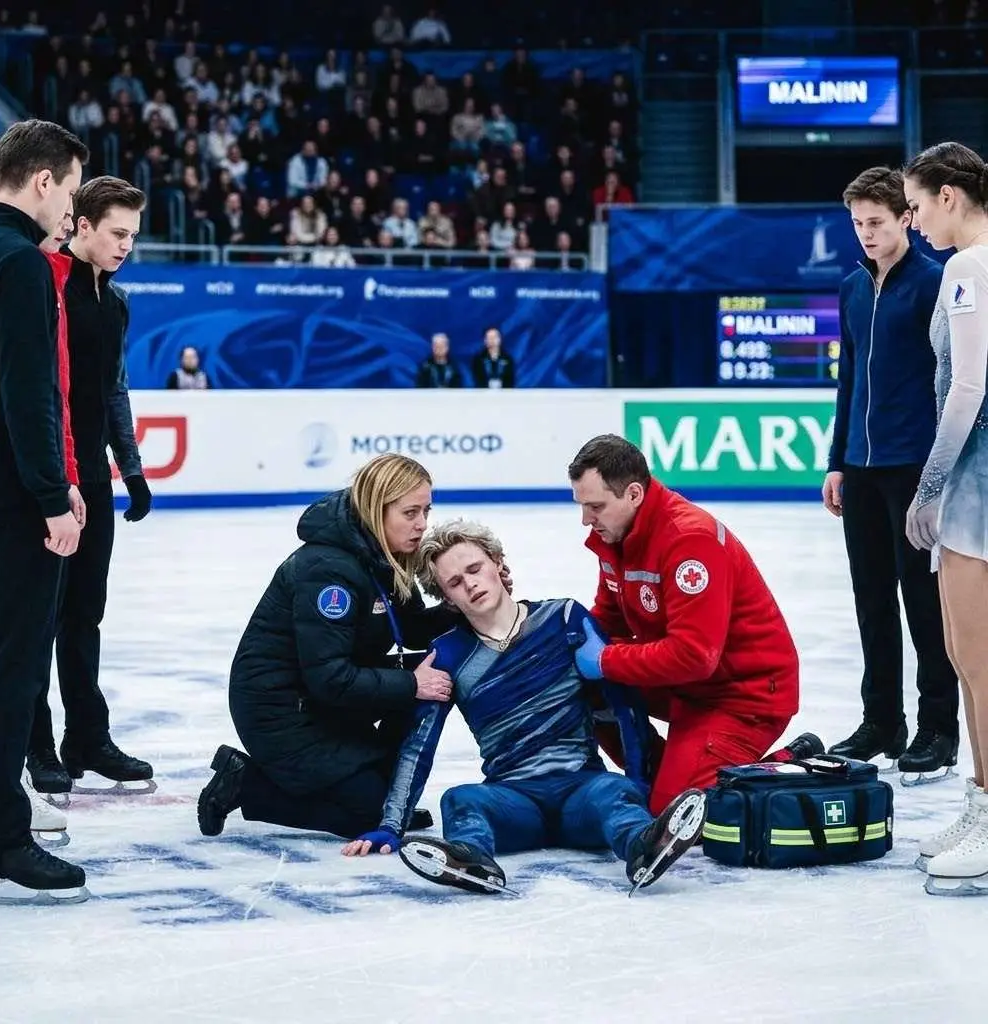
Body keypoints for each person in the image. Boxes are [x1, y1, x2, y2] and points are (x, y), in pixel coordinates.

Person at [340, 520, 707, 896]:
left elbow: (624, 706)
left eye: (474, 569)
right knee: (460, 799)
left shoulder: (563, 619)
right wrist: (390, 825)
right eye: (454, 583)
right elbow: (418, 746)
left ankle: (643, 846)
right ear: (448, 598)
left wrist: (640, 785)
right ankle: (472, 861)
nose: (470, 584)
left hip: (582, 792)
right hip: (514, 803)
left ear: (497, 563)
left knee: (614, 791)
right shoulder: (450, 655)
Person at [197, 454, 467, 841]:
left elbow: (413, 633)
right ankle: (247, 784)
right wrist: (410, 685)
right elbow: (329, 677)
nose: (422, 524)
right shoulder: (327, 570)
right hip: (282, 713)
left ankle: (380, 794)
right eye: (410, 512)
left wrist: (463, 605)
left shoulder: (381, 556)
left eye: (425, 510)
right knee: (369, 814)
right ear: (377, 510)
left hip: (326, 700)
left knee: (429, 672)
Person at [0, 119, 89, 903]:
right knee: (12, 668)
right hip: (13, 501)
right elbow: (29, 395)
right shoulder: (18, 264)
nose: (70, 206)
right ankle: (3, 837)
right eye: (73, 188)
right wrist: (54, 494)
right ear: (42, 181)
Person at [567, 434, 819, 816]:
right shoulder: (615, 534)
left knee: (677, 811)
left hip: (743, 695)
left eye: (595, 507)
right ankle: (660, 771)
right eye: (582, 506)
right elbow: (606, 619)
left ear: (634, 494)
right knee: (584, 687)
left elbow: (693, 655)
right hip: (687, 686)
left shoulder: (690, 540)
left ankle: (787, 762)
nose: (586, 519)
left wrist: (605, 661)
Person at [823, 166, 958, 783]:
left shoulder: (935, 283)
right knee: (870, 599)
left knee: (923, 602)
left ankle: (939, 727)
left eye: (876, 222)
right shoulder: (852, 288)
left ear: (907, 217)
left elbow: (953, 380)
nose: (866, 234)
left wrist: (940, 473)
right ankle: (882, 720)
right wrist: (836, 461)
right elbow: (847, 381)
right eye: (857, 224)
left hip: (914, 469)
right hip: (861, 469)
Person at [25, 176, 154, 798]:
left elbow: (112, 390)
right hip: (48, 477)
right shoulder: (43, 282)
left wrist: (130, 468)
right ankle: (36, 744)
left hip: (94, 481)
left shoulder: (117, 301)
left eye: (133, 234)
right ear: (82, 225)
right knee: (38, 618)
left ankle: (87, 737)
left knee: (85, 614)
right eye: (117, 232)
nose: (127, 245)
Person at [901, 141, 988, 895]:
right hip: (977, 480)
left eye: (918, 204)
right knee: (969, 658)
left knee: (976, 658)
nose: (914, 219)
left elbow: (965, 391)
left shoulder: (968, 267)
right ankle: (979, 799)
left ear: (951, 195)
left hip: (974, 484)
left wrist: (930, 488)